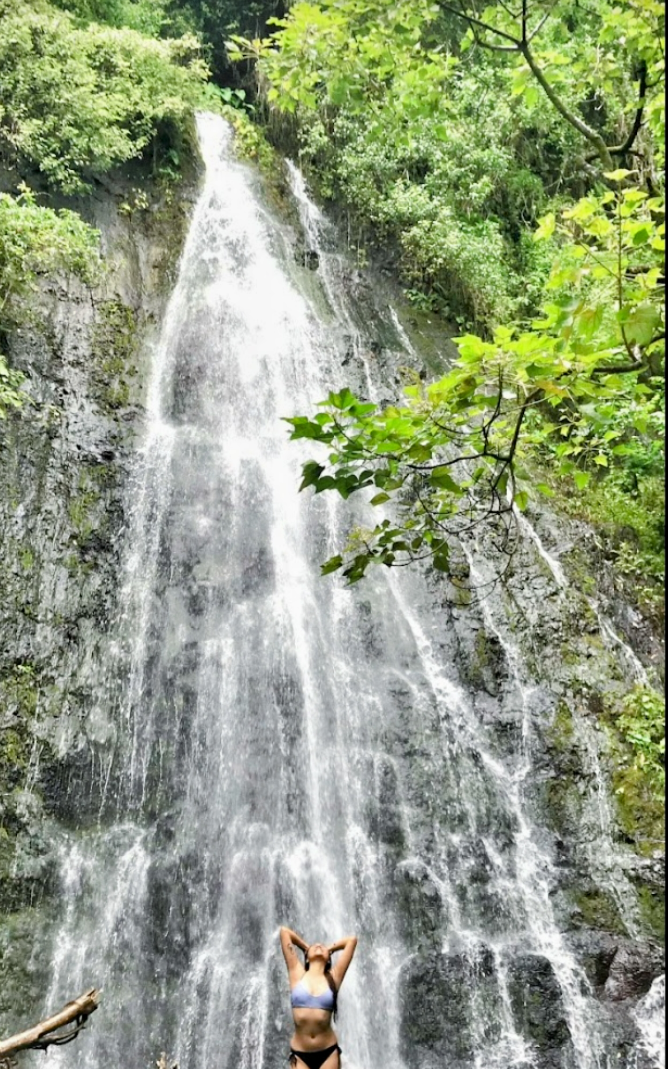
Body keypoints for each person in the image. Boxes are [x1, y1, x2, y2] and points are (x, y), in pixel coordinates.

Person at [280, 925, 358, 1069]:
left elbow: (351, 941)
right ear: (306, 959)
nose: (318, 946)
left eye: (322, 946)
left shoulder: (333, 978)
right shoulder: (297, 973)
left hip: (328, 1053)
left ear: (329, 959)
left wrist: (330, 948)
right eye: (315, 946)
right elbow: (284, 932)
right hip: (299, 1054)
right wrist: (306, 947)